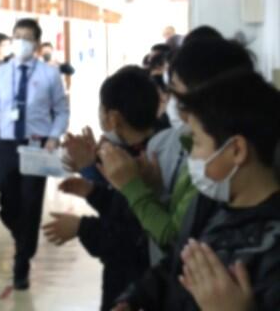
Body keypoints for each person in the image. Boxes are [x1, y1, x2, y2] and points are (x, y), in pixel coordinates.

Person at [113, 70, 280, 311]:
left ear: (236, 150)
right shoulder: (209, 204)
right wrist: (133, 298)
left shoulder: (272, 245)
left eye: (198, 143)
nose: (193, 156)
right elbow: (177, 264)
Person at [97, 37, 255, 266]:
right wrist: (155, 190)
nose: (167, 101)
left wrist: (133, 187)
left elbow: (177, 240)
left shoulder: (216, 163)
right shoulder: (192, 148)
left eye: (175, 93)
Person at [43, 66, 158, 310]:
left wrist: (80, 227)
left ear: (113, 118)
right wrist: (92, 190)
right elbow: (121, 207)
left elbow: (127, 237)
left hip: (137, 289)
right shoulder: (138, 150)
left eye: (101, 109)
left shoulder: (141, 162)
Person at [0, 18, 70, 290]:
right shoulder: (0, 74)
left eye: (27, 37)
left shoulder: (49, 74)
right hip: (5, 146)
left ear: (36, 43)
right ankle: (23, 239)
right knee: (8, 205)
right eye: (18, 36)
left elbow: (62, 110)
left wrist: (54, 136)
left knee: (31, 203)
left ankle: (22, 263)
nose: (21, 42)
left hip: (37, 145)